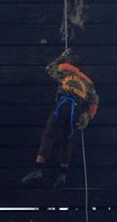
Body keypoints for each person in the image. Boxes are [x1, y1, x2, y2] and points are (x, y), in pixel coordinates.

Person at [21, 48, 99, 189]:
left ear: (69, 62)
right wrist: (87, 116)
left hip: (63, 105)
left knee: (48, 134)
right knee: (67, 140)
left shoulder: (65, 68)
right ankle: (63, 173)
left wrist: (61, 57)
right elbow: (94, 101)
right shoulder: (88, 83)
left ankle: (38, 168)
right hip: (75, 111)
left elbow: (50, 68)